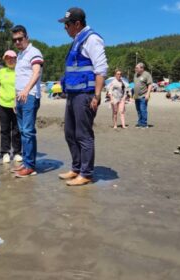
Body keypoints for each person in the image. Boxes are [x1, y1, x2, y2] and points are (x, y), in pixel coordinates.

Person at [57, 7, 108, 186]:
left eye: (67, 24)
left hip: (85, 95)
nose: (65, 28)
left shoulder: (92, 39)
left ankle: (86, 173)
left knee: (83, 135)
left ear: (77, 24)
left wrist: (97, 95)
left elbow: (101, 69)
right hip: (72, 95)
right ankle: (76, 168)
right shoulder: (77, 40)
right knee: (69, 133)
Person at [11, 25, 44, 178]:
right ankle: (26, 163)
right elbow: (19, 78)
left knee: (28, 132)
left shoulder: (34, 52)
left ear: (26, 38)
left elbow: (36, 72)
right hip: (19, 97)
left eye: (20, 38)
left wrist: (25, 90)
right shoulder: (20, 55)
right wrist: (15, 98)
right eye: (15, 40)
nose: (17, 42)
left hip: (30, 95)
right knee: (23, 132)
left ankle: (30, 166)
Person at [0, 50, 22, 164]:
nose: (10, 60)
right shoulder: (1, 71)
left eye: (12, 58)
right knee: (4, 129)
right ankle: (5, 152)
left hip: (17, 104)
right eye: (8, 58)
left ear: (16, 59)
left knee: (17, 130)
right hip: (3, 104)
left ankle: (17, 153)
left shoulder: (20, 71)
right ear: (4, 59)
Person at [133, 63, 153, 128]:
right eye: (135, 68)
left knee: (143, 109)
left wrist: (148, 94)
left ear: (142, 68)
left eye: (137, 68)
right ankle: (139, 123)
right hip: (136, 96)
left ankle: (144, 124)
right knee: (138, 110)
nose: (135, 69)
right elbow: (135, 85)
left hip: (143, 96)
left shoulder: (147, 74)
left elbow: (150, 84)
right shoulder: (135, 75)